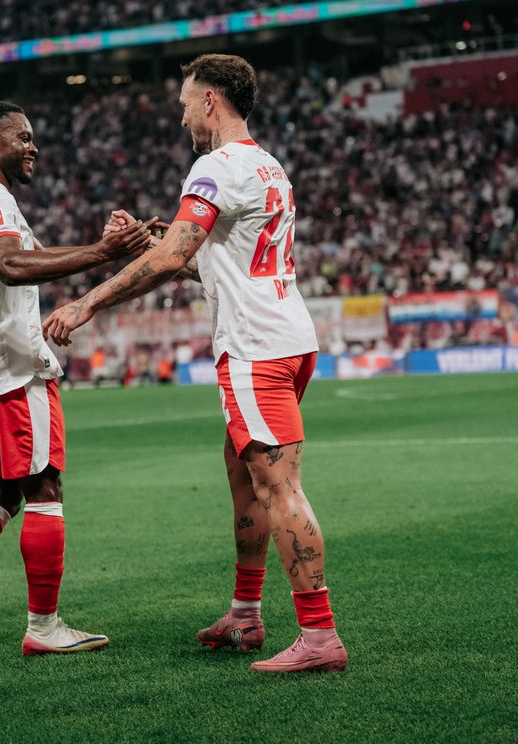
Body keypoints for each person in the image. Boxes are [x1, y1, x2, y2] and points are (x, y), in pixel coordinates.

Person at [43, 54, 348, 673]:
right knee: (243, 473)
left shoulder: (214, 167)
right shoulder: (267, 165)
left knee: (278, 486)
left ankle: (320, 636)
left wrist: (86, 303)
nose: (181, 116)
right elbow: (204, 261)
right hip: (288, 338)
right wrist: (153, 242)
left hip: (255, 348)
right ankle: (245, 614)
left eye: (185, 102)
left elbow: (171, 259)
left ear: (210, 100)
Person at [0, 100, 153, 667]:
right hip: (10, 368)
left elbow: (33, 258)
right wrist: (103, 252)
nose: (33, 147)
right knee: (45, 490)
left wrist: (116, 245)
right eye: (23, 137)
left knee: (1, 495)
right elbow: (12, 265)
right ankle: (44, 627)